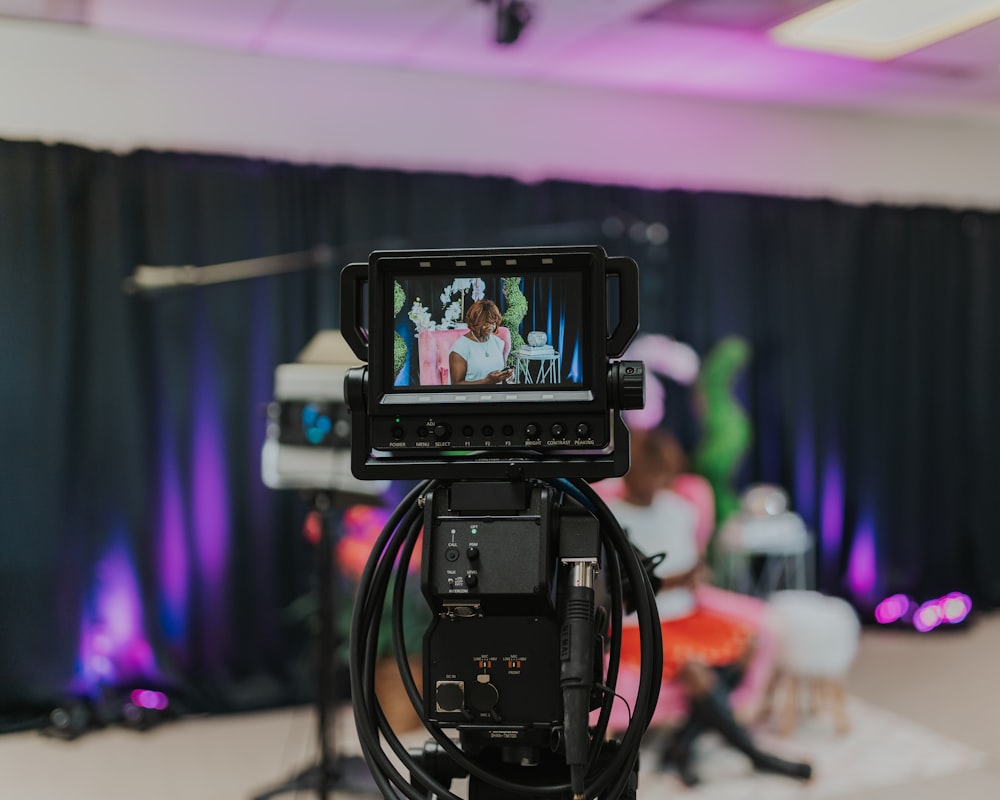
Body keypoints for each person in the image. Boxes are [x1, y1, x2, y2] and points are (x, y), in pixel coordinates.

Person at [607, 428, 812, 787]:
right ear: (629, 470)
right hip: (637, 623)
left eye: (662, 474)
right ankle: (756, 755)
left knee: (747, 645)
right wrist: (672, 580)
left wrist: (696, 571)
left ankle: (681, 745)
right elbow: (616, 587)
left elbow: (691, 559)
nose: (655, 482)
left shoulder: (679, 509)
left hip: (687, 612)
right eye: (648, 473)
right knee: (696, 671)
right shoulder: (609, 515)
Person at [448, 299, 514, 385]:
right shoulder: (460, 348)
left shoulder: (498, 342)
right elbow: (456, 385)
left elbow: (502, 374)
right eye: (486, 324)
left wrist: (506, 376)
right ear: (474, 322)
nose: (490, 327)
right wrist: (487, 381)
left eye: (493, 323)